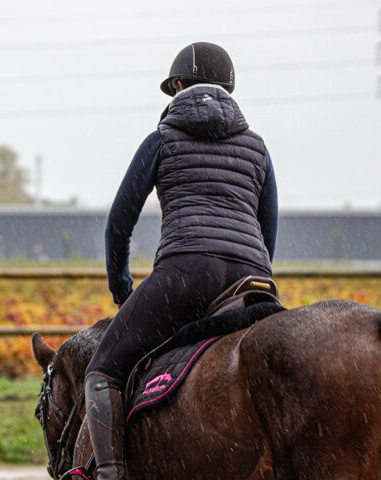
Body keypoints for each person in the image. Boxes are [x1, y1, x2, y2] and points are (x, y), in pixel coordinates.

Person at [83, 42, 278, 480]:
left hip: (185, 273)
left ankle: (111, 473)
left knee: (102, 371)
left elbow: (119, 223)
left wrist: (122, 288)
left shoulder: (161, 140)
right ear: (230, 89)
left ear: (175, 86)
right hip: (252, 278)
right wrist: (255, 276)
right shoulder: (258, 148)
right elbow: (269, 230)